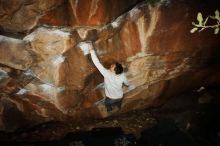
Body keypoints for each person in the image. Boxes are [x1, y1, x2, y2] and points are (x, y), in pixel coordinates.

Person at [89, 44, 129, 112]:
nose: (111, 65)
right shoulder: (122, 75)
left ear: (115, 70)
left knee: (107, 104)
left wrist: (91, 51)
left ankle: (109, 109)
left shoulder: (107, 73)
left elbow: (97, 63)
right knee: (119, 103)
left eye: (113, 66)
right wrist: (127, 85)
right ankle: (119, 108)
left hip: (110, 99)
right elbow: (127, 83)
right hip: (120, 97)